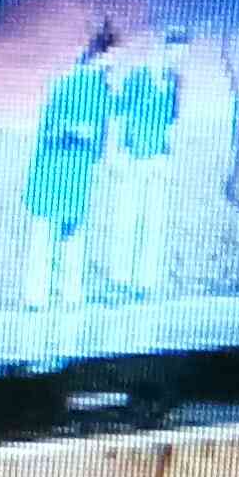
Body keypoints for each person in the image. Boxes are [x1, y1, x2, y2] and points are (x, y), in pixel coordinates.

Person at [22, 22, 118, 316]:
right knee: (44, 232)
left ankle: (71, 293)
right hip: (54, 169)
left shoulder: (103, 90)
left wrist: (97, 155)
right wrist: (74, 131)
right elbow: (49, 127)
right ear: (99, 53)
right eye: (110, 56)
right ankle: (37, 296)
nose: (112, 63)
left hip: (79, 172)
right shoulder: (67, 82)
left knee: (73, 233)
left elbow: (101, 134)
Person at [102, 26, 188, 299]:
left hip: (157, 162)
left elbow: (172, 121)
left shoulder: (174, 82)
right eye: (175, 49)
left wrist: (168, 155)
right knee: (126, 220)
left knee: (153, 223)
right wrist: (117, 153)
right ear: (165, 48)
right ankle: (119, 279)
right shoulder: (138, 77)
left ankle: (145, 283)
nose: (178, 56)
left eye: (182, 51)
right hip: (132, 158)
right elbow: (118, 113)